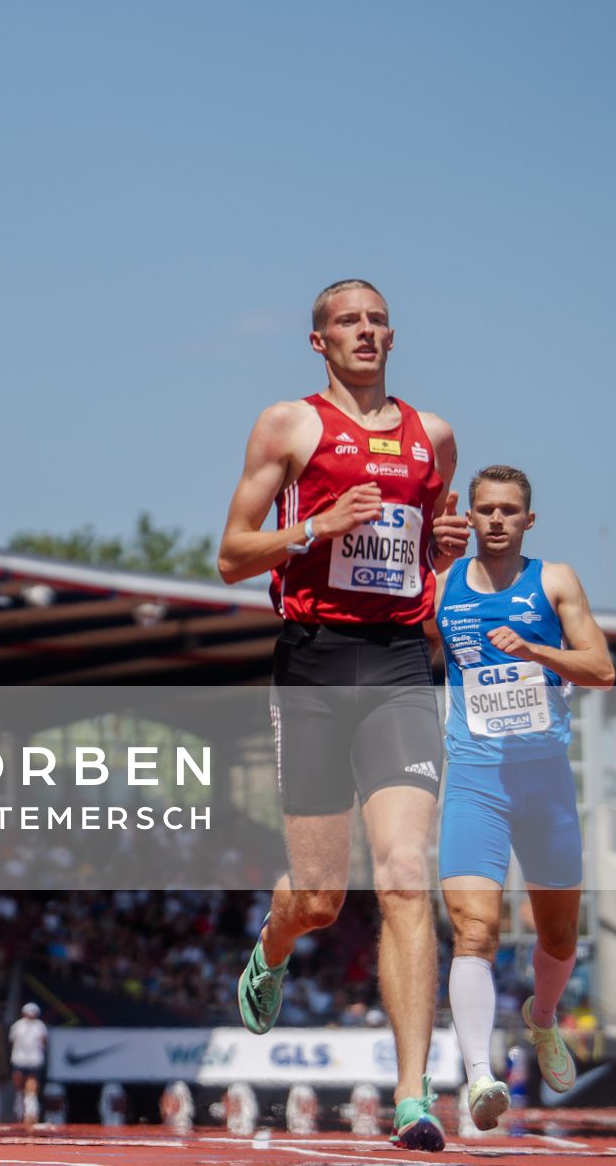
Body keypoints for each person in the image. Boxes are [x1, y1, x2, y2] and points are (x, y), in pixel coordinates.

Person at [217, 278, 467, 1151]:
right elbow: (229, 556)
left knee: (405, 871)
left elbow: (422, 552)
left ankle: (412, 1096)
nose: (364, 331)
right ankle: (272, 946)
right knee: (322, 897)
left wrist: (442, 550)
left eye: (375, 320)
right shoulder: (288, 425)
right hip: (315, 662)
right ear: (318, 342)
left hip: (399, 663)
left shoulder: (432, 436)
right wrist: (316, 526)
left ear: (393, 336)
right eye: (346, 322)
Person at [436, 466, 614, 1131]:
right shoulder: (443, 588)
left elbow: (600, 668)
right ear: (472, 517)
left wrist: (537, 651)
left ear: (527, 520)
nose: (497, 520)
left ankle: (542, 1020)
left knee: (559, 935)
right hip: (476, 781)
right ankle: (479, 1074)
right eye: (485, 509)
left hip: (545, 784)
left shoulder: (556, 579)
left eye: (510, 510)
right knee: (473, 930)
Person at [9, 1001, 48, 1127]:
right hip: (19, 1059)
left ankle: (31, 1113)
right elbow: (12, 1040)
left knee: (31, 1086)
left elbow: (44, 1041)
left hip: (34, 1060)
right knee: (19, 1086)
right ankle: (19, 1110)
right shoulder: (17, 1026)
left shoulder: (40, 1026)